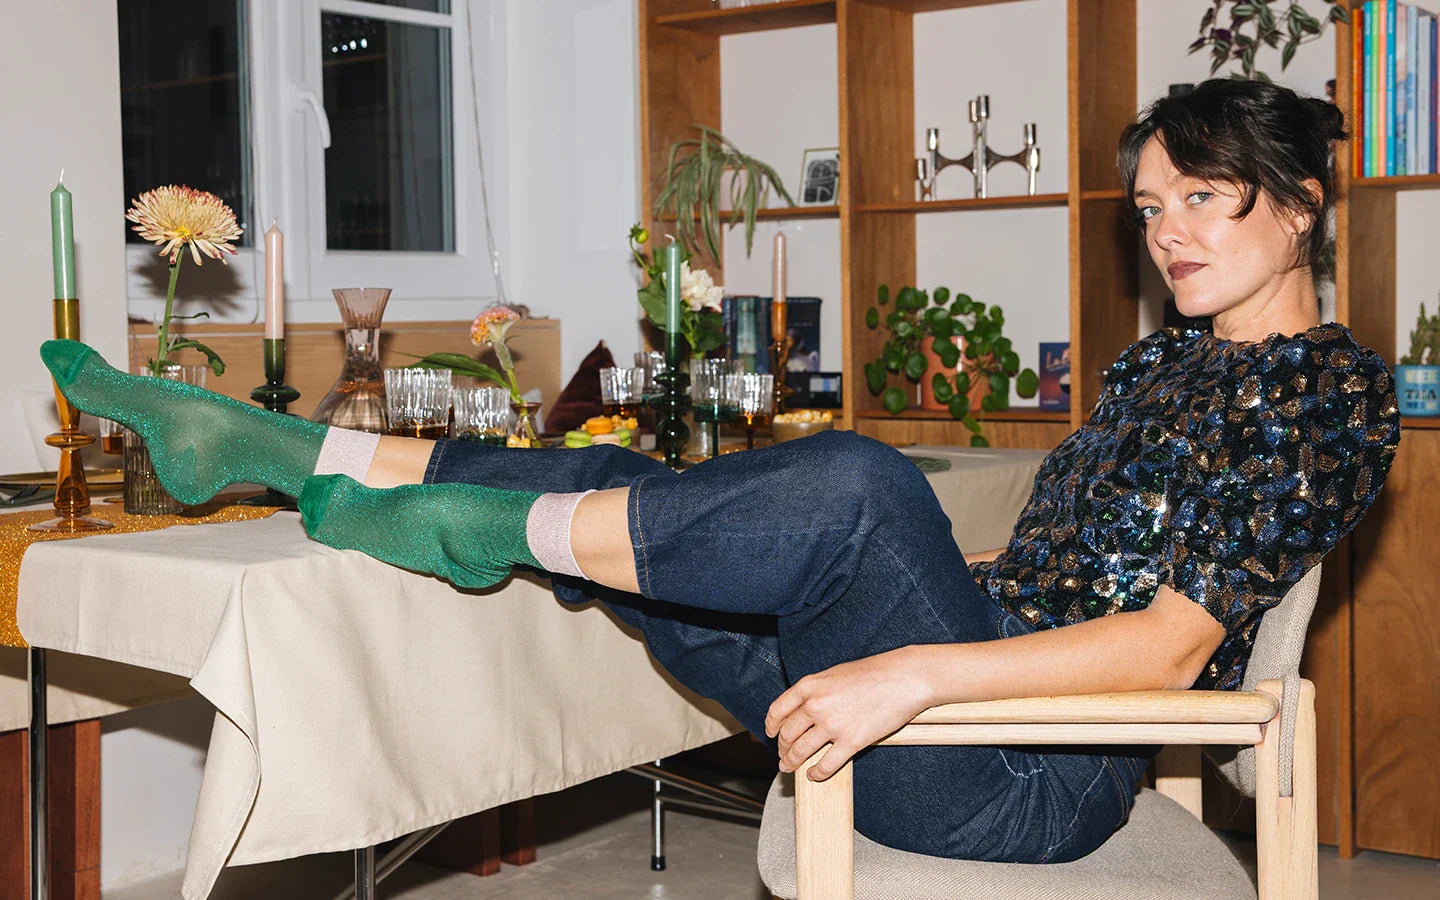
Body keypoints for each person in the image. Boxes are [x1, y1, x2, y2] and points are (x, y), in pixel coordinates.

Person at [38, 78, 1399, 865]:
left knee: (859, 483)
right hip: (932, 687)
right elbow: (1042, 578)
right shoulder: (1156, 368)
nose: (1167, 233)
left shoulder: (1331, 391)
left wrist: (911, 666)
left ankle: (459, 517)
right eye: (1150, 208)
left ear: (1298, 205)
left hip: (1026, 773)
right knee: (628, 466)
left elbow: (1168, 650)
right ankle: (293, 447)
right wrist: (932, 617)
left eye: (1202, 200)